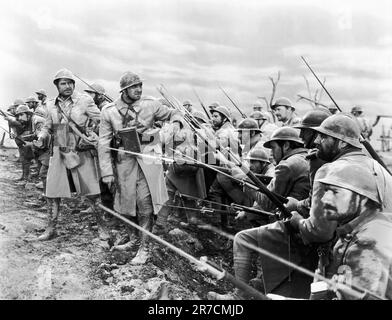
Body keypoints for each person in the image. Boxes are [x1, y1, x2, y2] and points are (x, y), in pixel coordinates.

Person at [98, 71, 184, 264]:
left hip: (149, 158)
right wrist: (106, 172)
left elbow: (174, 113)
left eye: (140, 86)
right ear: (124, 90)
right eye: (133, 87)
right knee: (126, 203)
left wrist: (176, 123)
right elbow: (103, 143)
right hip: (124, 161)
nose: (138, 90)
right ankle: (134, 239)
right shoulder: (109, 111)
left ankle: (144, 248)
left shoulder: (150, 104)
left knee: (145, 203)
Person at [36, 68, 108, 245]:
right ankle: (51, 228)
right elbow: (47, 126)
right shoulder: (51, 104)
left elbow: (102, 120)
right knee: (52, 192)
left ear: (74, 84)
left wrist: (92, 134)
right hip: (60, 146)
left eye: (70, 83)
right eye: (63, 83)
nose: (67, 86)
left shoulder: (84, 100)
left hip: (80, 148)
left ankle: (103, 229)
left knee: (92, 192)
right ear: (57, 86)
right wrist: (41, 136)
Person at [285, 108, 331, 217]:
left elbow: (314, 202)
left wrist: (296, 205)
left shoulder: (317, 159)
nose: (300, 136)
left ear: (316, 134)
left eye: (305, 131)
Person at [3, 105, 46, 182]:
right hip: (42, 145)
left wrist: (30, 144)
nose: (19, 118)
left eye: (21, 115)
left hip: (52, 145)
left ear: (28, 114)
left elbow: (43, 139)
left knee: (44, 164)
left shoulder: (37, 121)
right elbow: (34, 134)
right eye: (18, 115)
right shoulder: (29, 120)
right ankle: (30, 179)